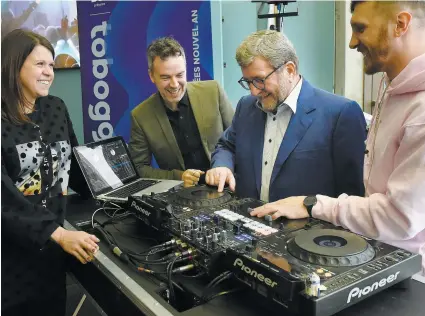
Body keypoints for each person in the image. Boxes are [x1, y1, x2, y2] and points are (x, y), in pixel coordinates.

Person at [250, 1, 425, 275]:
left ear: (401, 24)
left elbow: (400, 217)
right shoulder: (391, 84)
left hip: (411, 272)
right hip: (378, 255)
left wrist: (313, 204)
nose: (353, 42)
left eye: (360, 28)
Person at [1, 29, 100, 315]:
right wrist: (55, 233)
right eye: (39, 64)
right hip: (10, 258)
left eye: (51, 64)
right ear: (13, 64)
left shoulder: (56, 107)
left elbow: (72, 166)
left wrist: (114, 190)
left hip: (51, 253)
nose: (49, 72)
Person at [206, 30, 367, 203]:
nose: (254, 91)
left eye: (259, 80)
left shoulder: (340, 114)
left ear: (289, 70)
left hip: (309, 228)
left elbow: (351, 197)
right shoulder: (246, 107)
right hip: (249, 222)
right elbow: (226, 145)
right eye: (248, 82)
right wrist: (222, 165)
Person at [129, 37, 234, 187]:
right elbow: (139, 168)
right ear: (152, 76)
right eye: (165, 77)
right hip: (180, 194)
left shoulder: (213, 91)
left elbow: (238, 139)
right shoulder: (140, 116)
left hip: (226, 186)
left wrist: (224, 168)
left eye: (179, 75)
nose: (174, 84)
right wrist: (178, 177)